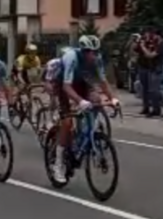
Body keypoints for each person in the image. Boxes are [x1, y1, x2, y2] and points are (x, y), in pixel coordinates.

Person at [51, 35, 120, 183]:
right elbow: (66, 87)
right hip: (63, 84)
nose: (92, 55)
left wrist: (112, 99)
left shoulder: (97, 59)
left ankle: (83, 136)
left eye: (95, 52)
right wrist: (80, 101)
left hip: (81, 83)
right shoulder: (71, 57)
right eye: (89, 52)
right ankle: (58, 164)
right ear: (82, 51)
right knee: (67, 122)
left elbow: (103, 82)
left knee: (95, 99)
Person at [137, 29, 163, 118]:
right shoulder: (156, 44)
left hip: (157, 69)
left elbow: (150, 55)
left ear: (158, 36)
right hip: (152, 69)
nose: (153, 37)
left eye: (154, 35)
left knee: (155, 90)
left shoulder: (162, 45)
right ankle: (156, 110)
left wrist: (143, 47)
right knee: (151, 91)